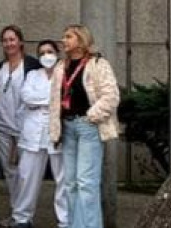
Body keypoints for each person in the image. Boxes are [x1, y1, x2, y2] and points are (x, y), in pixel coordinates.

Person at [49, 25, 120, 228]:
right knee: (70, 183)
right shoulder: (61, 67)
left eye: (68, 37)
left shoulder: (98, 64)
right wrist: (55, 129)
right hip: (67, 127)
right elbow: (54, 101)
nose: (64, 41)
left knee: (86, 182)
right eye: (64, 36)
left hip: (87, 126)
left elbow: (111, 96)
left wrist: (91, 116)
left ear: (81, 41)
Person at [10, 40, 69, 228]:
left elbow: (63, 99)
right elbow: (27, 96)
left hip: (56, 130)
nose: (46, 56)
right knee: (27, 176)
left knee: (62, 177)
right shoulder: (33, 75)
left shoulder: (64, 74)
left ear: (57, 53)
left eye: (50, 51)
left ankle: (65, 220)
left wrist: (44, 100)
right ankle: (22, 218)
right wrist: (51, 99)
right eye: (42, 52)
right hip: (33, 130)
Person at [0, 25, 39, 227]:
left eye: (12, 39)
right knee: (10, 172)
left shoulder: (32, 66)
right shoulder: (0, 67)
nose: (9, 43)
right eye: (5, 40)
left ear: (20, 42)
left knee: (26, 174)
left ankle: (26, 217)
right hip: (4, 128)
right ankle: (16, 213)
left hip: (25, 129)